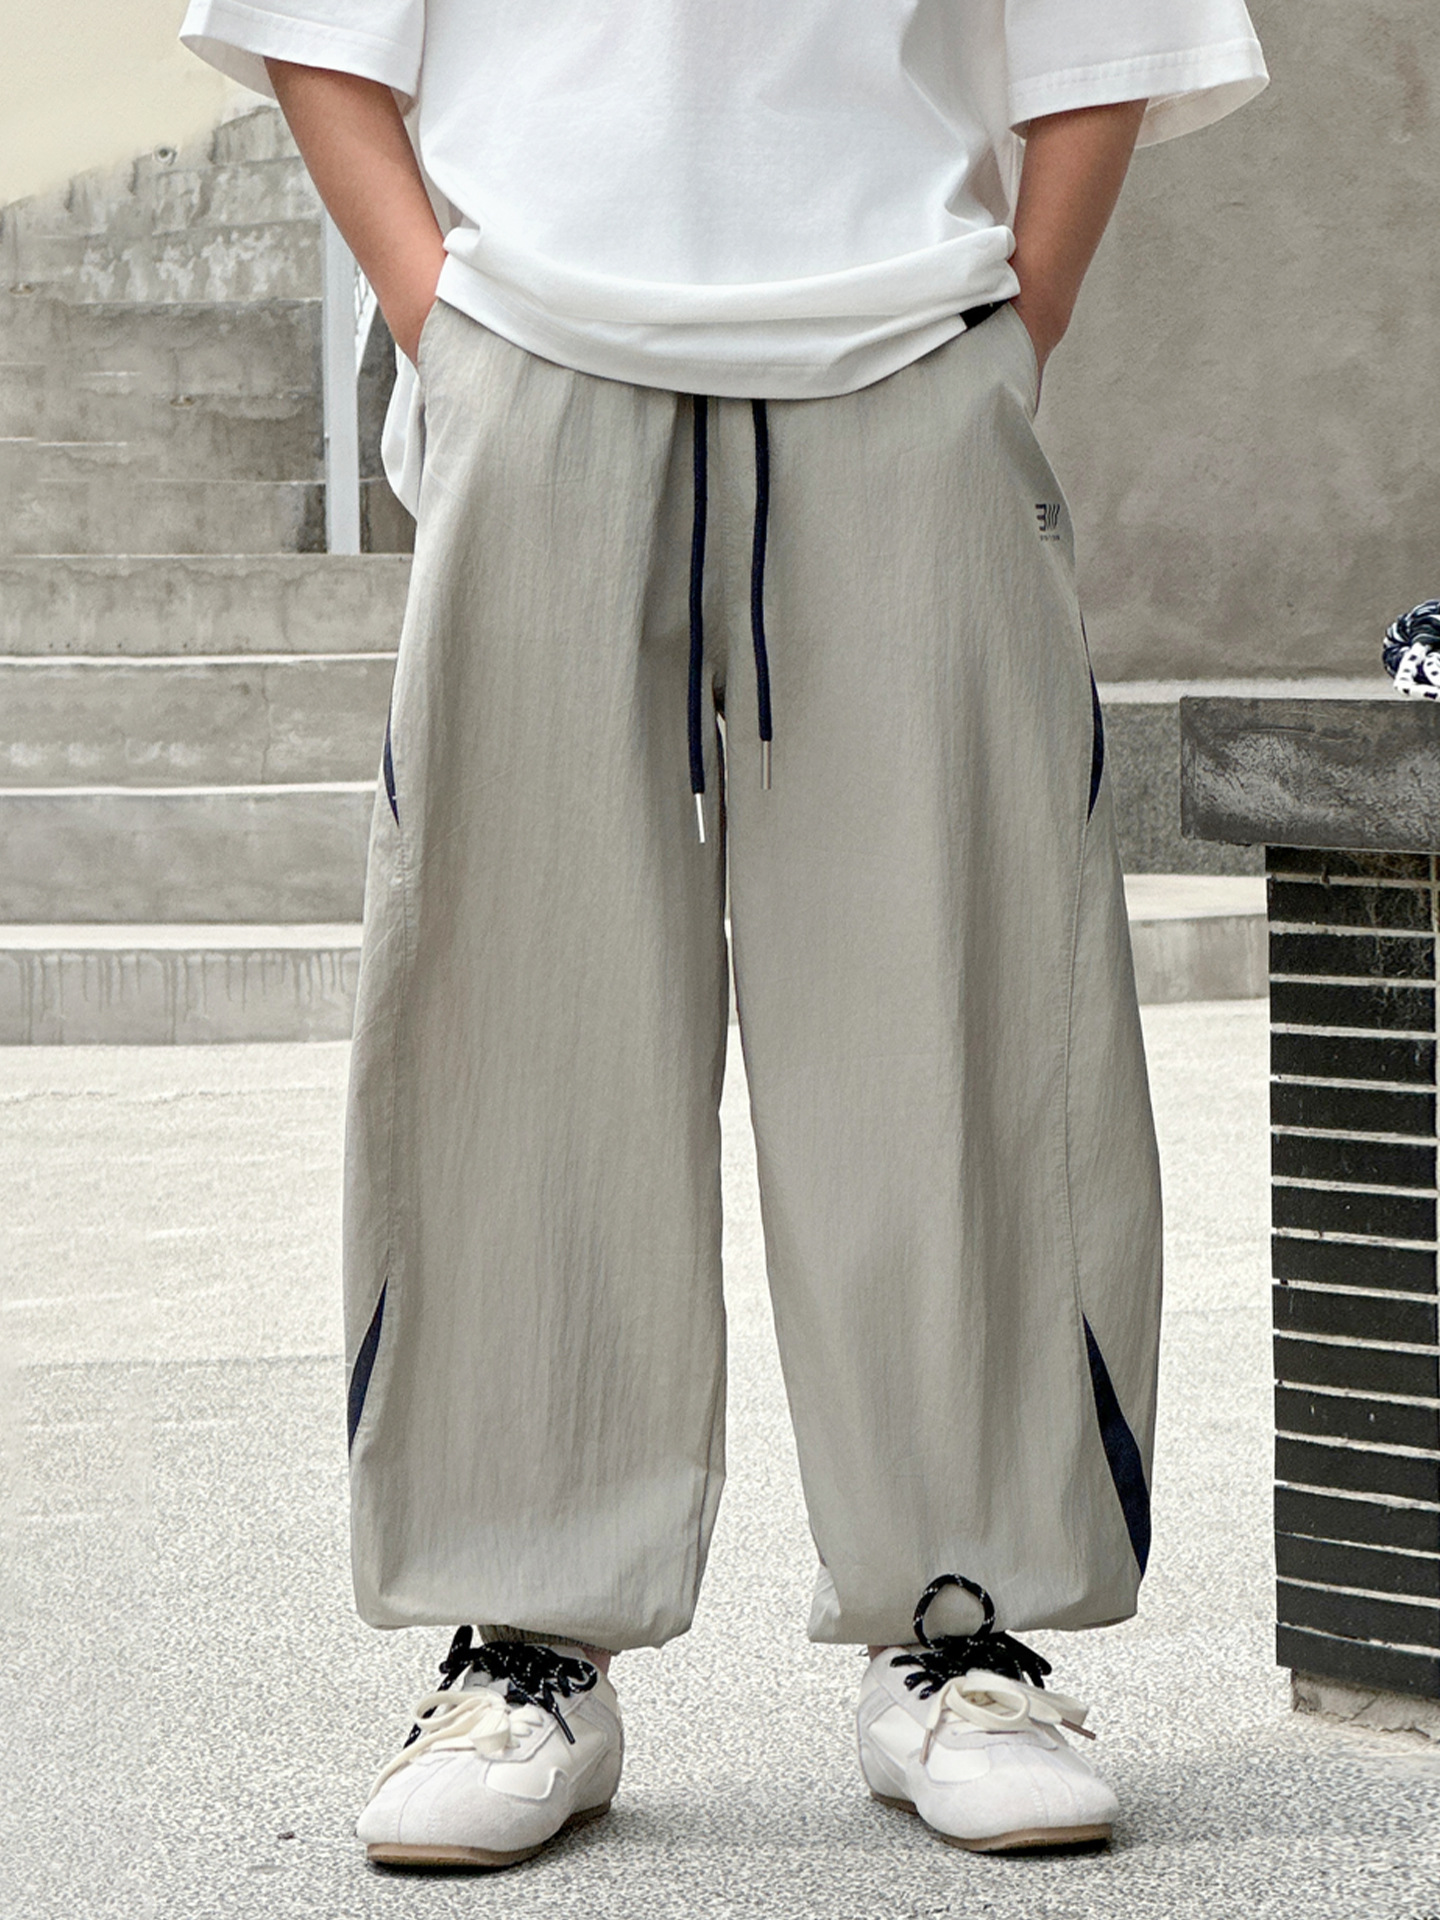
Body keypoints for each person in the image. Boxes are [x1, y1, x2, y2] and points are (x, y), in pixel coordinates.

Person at [181, 0, 1266, 1868]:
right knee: (518, 1017)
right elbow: (312, 25)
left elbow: (1106, 32)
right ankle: (523, 1631)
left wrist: (1012, 333)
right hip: (535, 344)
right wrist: (443, 322)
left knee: (954, 1010)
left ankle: (961, 1622)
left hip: (910, 355)